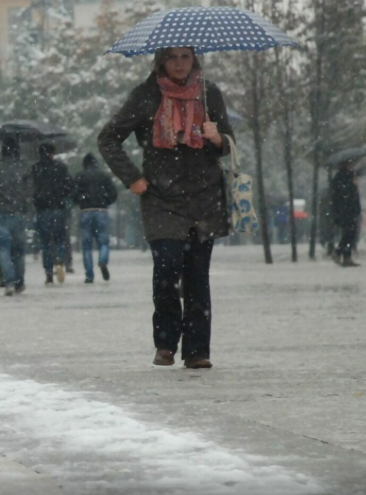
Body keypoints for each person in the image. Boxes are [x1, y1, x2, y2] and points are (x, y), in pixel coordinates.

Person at [98, 45, 235, 370]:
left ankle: (198, 350)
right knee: (167, 271)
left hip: (204, 198)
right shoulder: (146, 95)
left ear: (194, 59)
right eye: (171, 57)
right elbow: (108, 138)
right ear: (161, 60)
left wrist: (219, 138)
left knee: (198, 277)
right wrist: (132, 178)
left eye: (184, 56)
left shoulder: (209, 93)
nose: (178, 63)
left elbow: (229, 143)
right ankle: (165, 342)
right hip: (161, 198)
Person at [0, 137, 33, 295]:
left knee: (4, 249)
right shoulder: (23, 167)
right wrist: (25, 205)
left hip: (1, 213)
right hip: (18, 212)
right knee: (19, 249)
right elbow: (29, 190)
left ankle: (9, 282)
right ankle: (20, 282)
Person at [31, 142, 75, 285]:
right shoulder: (61, 167)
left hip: (42, 210)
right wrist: (62, 196)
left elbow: (31, 189)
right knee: (60, 239)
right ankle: (59, 260)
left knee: (45, 243)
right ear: (52, 153)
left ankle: (48, 274)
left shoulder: (35, 168)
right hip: (58, 208)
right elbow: (70, 186)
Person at [74, 153, 118, 284]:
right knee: (103, 242)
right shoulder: (104, 176)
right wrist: (106, 201)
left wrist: (80, 201)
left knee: (86, 246)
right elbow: (113, 193)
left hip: (85, 211)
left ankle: (89, 275)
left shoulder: (79, 176)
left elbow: (74, 194)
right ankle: (103, 261)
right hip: (101, 210)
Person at [330, 159, 362, 267]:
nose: (352, 166)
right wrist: (352, 185)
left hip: (351, 210)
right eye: (351, 164)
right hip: (346, 210)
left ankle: (345, 256)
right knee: (349, 233)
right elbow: (342, 194)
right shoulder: (342, 178)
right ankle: (340, 253)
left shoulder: (350, 176)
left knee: (350, 234)